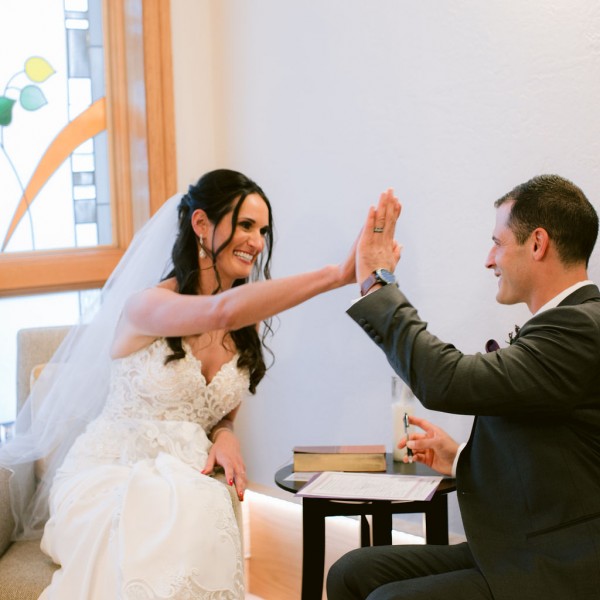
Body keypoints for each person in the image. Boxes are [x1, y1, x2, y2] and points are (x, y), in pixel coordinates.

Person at [0, 169, 361, 599]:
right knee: (170, 516)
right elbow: (220, 311)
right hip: (109, 474)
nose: (257, 242)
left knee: (197, 505)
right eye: (246, 225)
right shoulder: (146, 307)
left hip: (187, 475)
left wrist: (226, 435)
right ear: (201, 224)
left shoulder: (245, 327)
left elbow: (222, 414)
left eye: (263, 231)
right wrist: (338, 274)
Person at [327, 175, 600, 600]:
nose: (489, 260)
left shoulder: (582, 327)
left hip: (558, 564)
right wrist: (458, 457)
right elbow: (551, 455)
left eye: (497, 243)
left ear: (537, 243)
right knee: (351, 573)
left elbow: (446, 379)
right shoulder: (567, 324)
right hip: (520, 547)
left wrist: (376, 283)